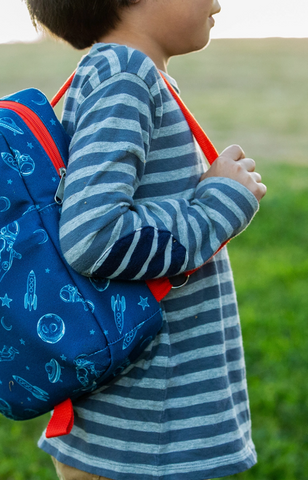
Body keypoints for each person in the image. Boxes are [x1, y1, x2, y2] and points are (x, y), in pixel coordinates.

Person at [24, 0, 267, 479]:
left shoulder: (124, 74)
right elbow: (93, 236)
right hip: (145, 436)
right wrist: (221, 202)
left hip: (138, 429)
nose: (219, 2)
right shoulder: (125, 75)